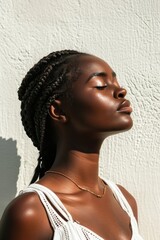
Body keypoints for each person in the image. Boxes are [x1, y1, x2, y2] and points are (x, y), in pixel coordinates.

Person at [0, 50, 143, 240]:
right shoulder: (32, 212)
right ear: (58, 110)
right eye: (101, 85)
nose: (121, 91)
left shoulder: (124, 201)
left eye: (116, 83)